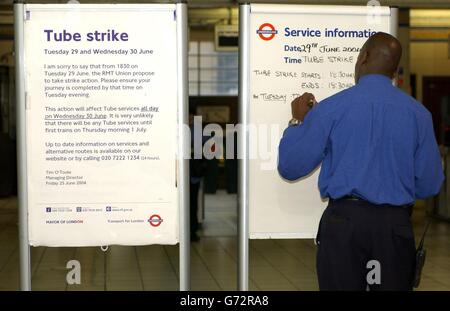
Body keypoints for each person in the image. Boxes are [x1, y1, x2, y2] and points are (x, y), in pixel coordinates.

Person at [278, 32, 444, 291]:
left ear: (364, 57)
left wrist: (299, 121)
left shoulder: (331, 109)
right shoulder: (418, 114)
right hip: (394, 227)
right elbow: (429, 184)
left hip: (344, 225)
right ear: (395, 70)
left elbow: (291, 166)